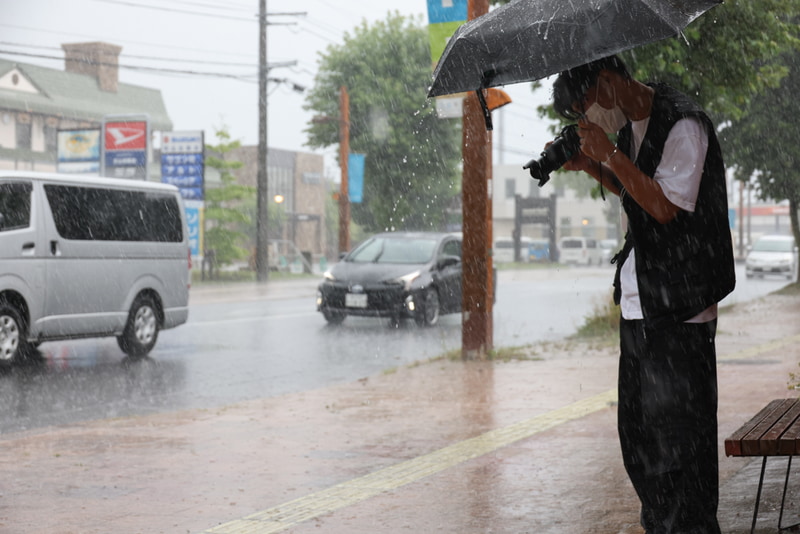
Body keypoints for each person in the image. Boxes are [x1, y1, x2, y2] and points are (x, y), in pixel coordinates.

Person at [550, 55, 735, 533]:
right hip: (642, 309)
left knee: (679, 449)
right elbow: (637, 194)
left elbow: (665, 206)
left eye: (585, 106)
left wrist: (610, 154)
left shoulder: (683, 124)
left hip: (679, 312)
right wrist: (591, 166)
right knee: (640, 443)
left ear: (608, 82)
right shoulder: (633, 127)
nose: (587, 119)